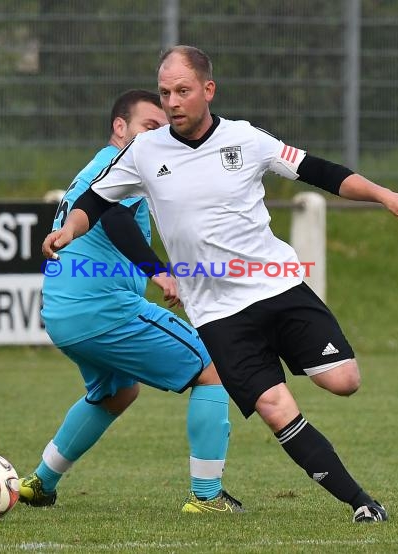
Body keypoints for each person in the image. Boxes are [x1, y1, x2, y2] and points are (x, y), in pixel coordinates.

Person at [43, 46, 398, 523]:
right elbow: (95, 199)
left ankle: (289, 358)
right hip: (217, 314)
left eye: (183, 91)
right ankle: (362, 503)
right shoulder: (145, 152)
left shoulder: (245, 138)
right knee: (276, 408)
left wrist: (383, 195)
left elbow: (318, 170)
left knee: (344, 381)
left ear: (208, 90)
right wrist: (70, 229)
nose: (172, 102)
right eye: (166, 92)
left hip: (277, 287)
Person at [20, 89, 243, 514]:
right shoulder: (115, 166)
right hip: (101, 309)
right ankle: (207, 496)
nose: (155, 136)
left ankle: (40, 483)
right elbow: (117, 217)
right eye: (147, 127)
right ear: (119, 127)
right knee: (213, 366)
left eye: (161, 129)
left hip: (63, 314)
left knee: (117, 393)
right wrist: (157, 272)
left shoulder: (99, 169)